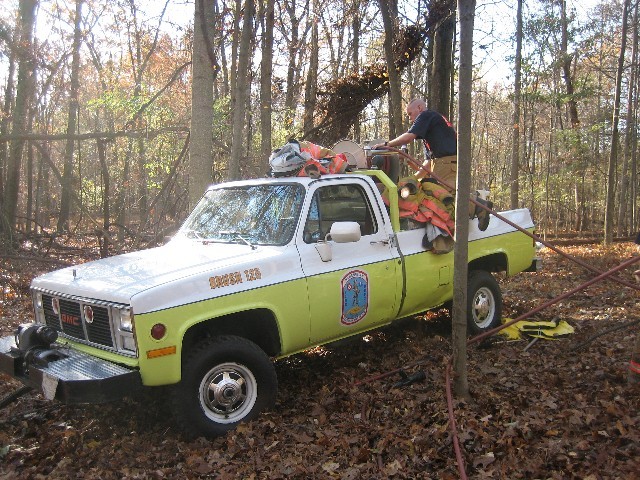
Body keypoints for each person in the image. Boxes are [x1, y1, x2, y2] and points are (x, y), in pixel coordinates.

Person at [374, 98, 492, 231]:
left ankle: (479, 206)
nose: (411, 119)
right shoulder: (433, 129)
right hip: (444, 163)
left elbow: (409, 136)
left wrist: (386, 145)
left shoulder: (426, 115)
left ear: (419, 108)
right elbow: (429, 163)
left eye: (410, 114)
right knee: (437, 194)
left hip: (447, 163)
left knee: (443, 196)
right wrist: (414, 177)